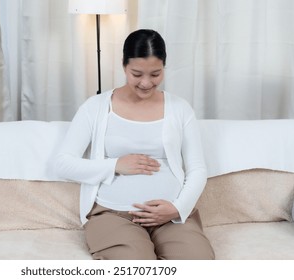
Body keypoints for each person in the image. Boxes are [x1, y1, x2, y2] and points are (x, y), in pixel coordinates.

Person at [54, 29, 214, 260]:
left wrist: (177, 208)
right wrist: (115, 165)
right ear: (123, 65)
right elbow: (63, 163)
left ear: (164, 68)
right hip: (114, 214)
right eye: (137, 74)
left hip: (170, 215)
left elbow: (197, 168)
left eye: (155, 74)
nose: (146, 83)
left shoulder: (180, 108)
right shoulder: (96, 107)